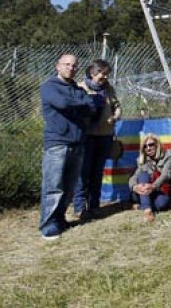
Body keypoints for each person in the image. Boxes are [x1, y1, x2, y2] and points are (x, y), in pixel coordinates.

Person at [38, 54, 97, 240]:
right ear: (58, 66)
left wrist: (83, 103)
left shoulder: (76, 88)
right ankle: (48, 224)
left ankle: (60, 219)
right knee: (53, 186)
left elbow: (93, 107)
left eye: (74, 66)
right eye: (67, 64)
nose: (71, 68)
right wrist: (83, 102)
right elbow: (62, 103)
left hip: (78, 142)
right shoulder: (49, 86)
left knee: (69, 186)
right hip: (58, 143)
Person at [73, 58, 121, 220]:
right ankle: (80, 207)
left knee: (97, 172)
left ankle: (94, 206)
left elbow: (117, 106)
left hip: (105, 135)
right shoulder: (81, 88)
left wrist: (115, 117)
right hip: (86, 136)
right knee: (83, 172)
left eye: (107, 74)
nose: (105, 77)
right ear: (92, 73)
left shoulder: (109, 89)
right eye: (102, 73)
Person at [128, 133, 171, 222]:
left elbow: (165, 175)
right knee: (143, 175)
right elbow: (134, 177)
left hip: (160, 190)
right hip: (145, 190)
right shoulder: (142, 160)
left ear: (157, 145)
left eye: (151, 145)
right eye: (145, 146)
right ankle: (147, 211)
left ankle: (142, 206)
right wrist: (134, 187)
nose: (148, 148)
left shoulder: (167, 157)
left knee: (161, 205)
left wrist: (153, 186)